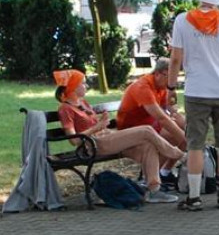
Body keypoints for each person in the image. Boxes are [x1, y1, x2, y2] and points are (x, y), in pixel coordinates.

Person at [53, 69, 184, 204]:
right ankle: (178, 155)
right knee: (146, 131)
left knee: (147, 145)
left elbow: (93, 126)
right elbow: (74, 140)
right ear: (73, 87)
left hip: (106, 137)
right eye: (83, 83)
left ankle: (153, 190)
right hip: (92, 145)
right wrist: (97, 127)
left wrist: (101, 123)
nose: (86, 86)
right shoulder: (65, 109)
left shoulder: (83, 103)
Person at [168, 0, 219, 210]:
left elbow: (176, 58)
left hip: (197, 89)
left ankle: (194, 197)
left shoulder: (182, 20)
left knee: (195, 144)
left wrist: (170, 87)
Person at [116, 58, 187, 189]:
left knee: (184, 130)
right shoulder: (143, 87)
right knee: (176, 137)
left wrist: (185, 125)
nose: (173, 81)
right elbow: (161, 118)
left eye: (175, 77)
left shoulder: (162, 86)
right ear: (158, 73)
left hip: (149, 126)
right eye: (170, 77)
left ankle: (164, 172)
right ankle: (149, 177)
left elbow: (170, 109)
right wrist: (182, 136)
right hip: (131, 131)